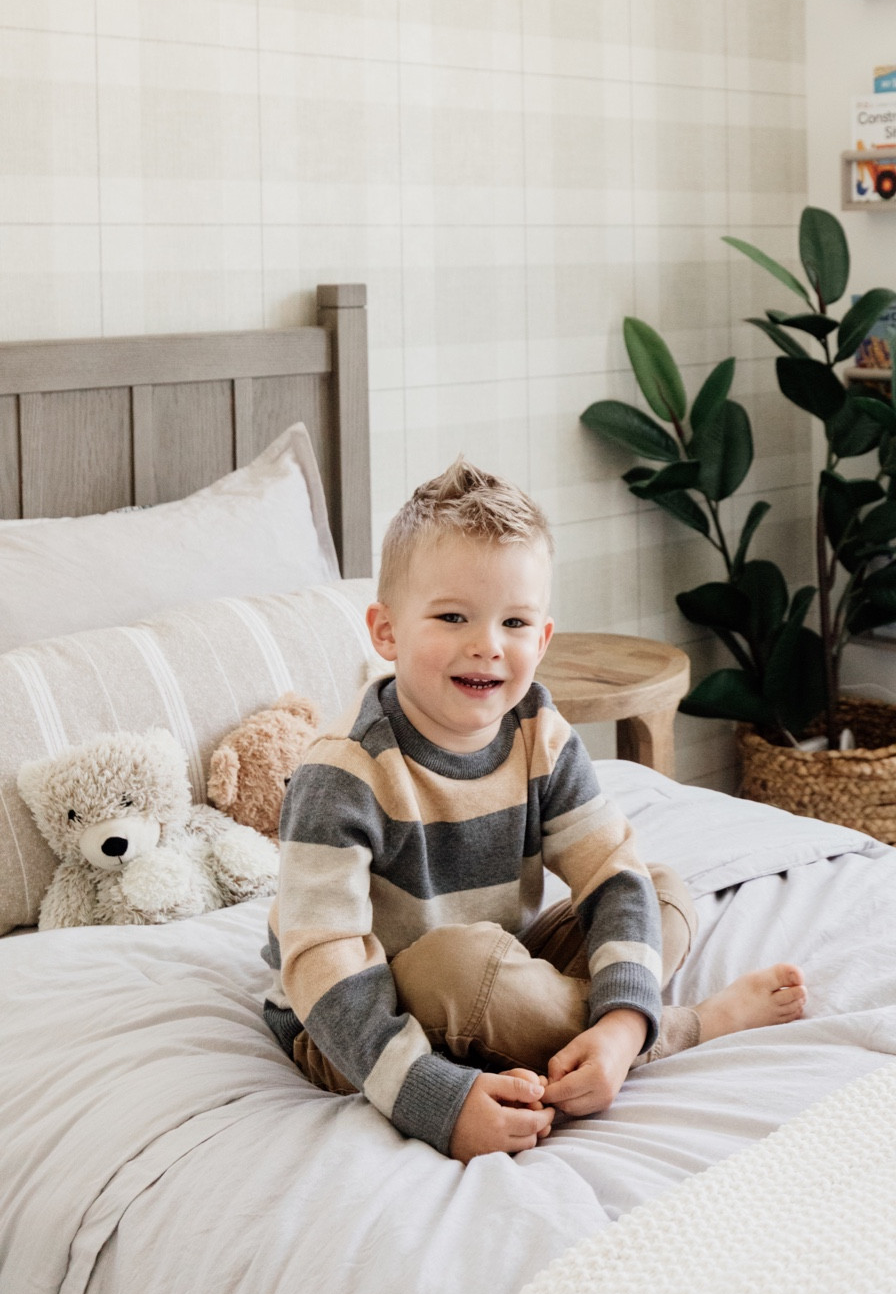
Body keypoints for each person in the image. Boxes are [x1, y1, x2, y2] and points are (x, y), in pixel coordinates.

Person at [262, 457, 806, 1161]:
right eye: (453, 615)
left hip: (501, 961)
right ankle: (682, 1025)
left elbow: (609, 871)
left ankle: (616, 1031)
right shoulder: (344, 771)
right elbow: (323, 963)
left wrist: (614, 1025)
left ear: (542, 638)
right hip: (349, 1019)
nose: (487, 642)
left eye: (514, 620)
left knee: (655, 888)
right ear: (386, 630)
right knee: (467, 964)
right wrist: (438, 1101)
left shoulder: (538, 730)